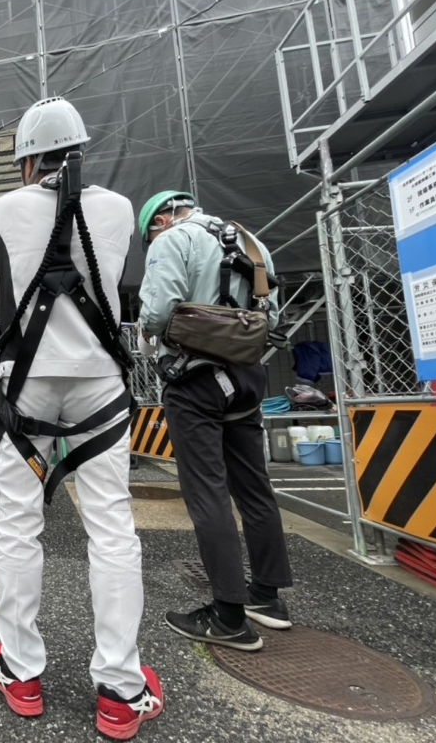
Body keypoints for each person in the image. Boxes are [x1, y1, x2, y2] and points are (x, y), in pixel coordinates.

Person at [0, 96, 163, 739]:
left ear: (29, 159)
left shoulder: (3, 210)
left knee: (18, 523)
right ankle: (120, 688)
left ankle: (21, 670)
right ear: (80, 149)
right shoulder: (118, 208)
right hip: (99, 384)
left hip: (25, 384)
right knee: (112, 526)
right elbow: (117, 286)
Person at [136, 190, 293, 652]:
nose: (152, 242)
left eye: (149, 236)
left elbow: (157, 312)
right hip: (246, 375)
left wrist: (148, 335)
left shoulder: (172, 240)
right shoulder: (249, 241)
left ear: (161, 220)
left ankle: (228, 617)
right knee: (254, 488)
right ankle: (267, 597)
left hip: (196, 378)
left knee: (207, 493)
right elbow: (272, 314)